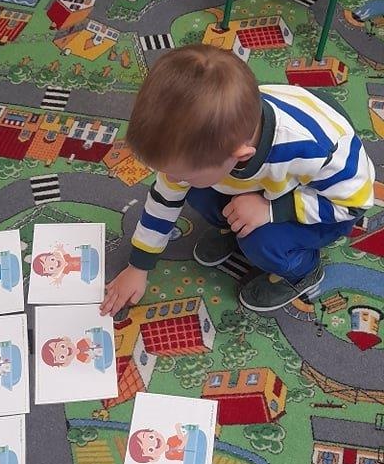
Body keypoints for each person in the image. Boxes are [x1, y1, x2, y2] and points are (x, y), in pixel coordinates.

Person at [100, 45, 374, 317]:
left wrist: (272, 210)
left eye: (181, 173)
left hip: (326, 203)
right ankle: (233, 226)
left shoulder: (313, 150)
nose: (169, 178)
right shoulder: (216, 133)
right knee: (193, 189)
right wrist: (138, 266)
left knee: (259, 240)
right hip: (262, 181)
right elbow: (164, 197)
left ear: (240, 155)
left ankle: (302, 271)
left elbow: (356, 203)